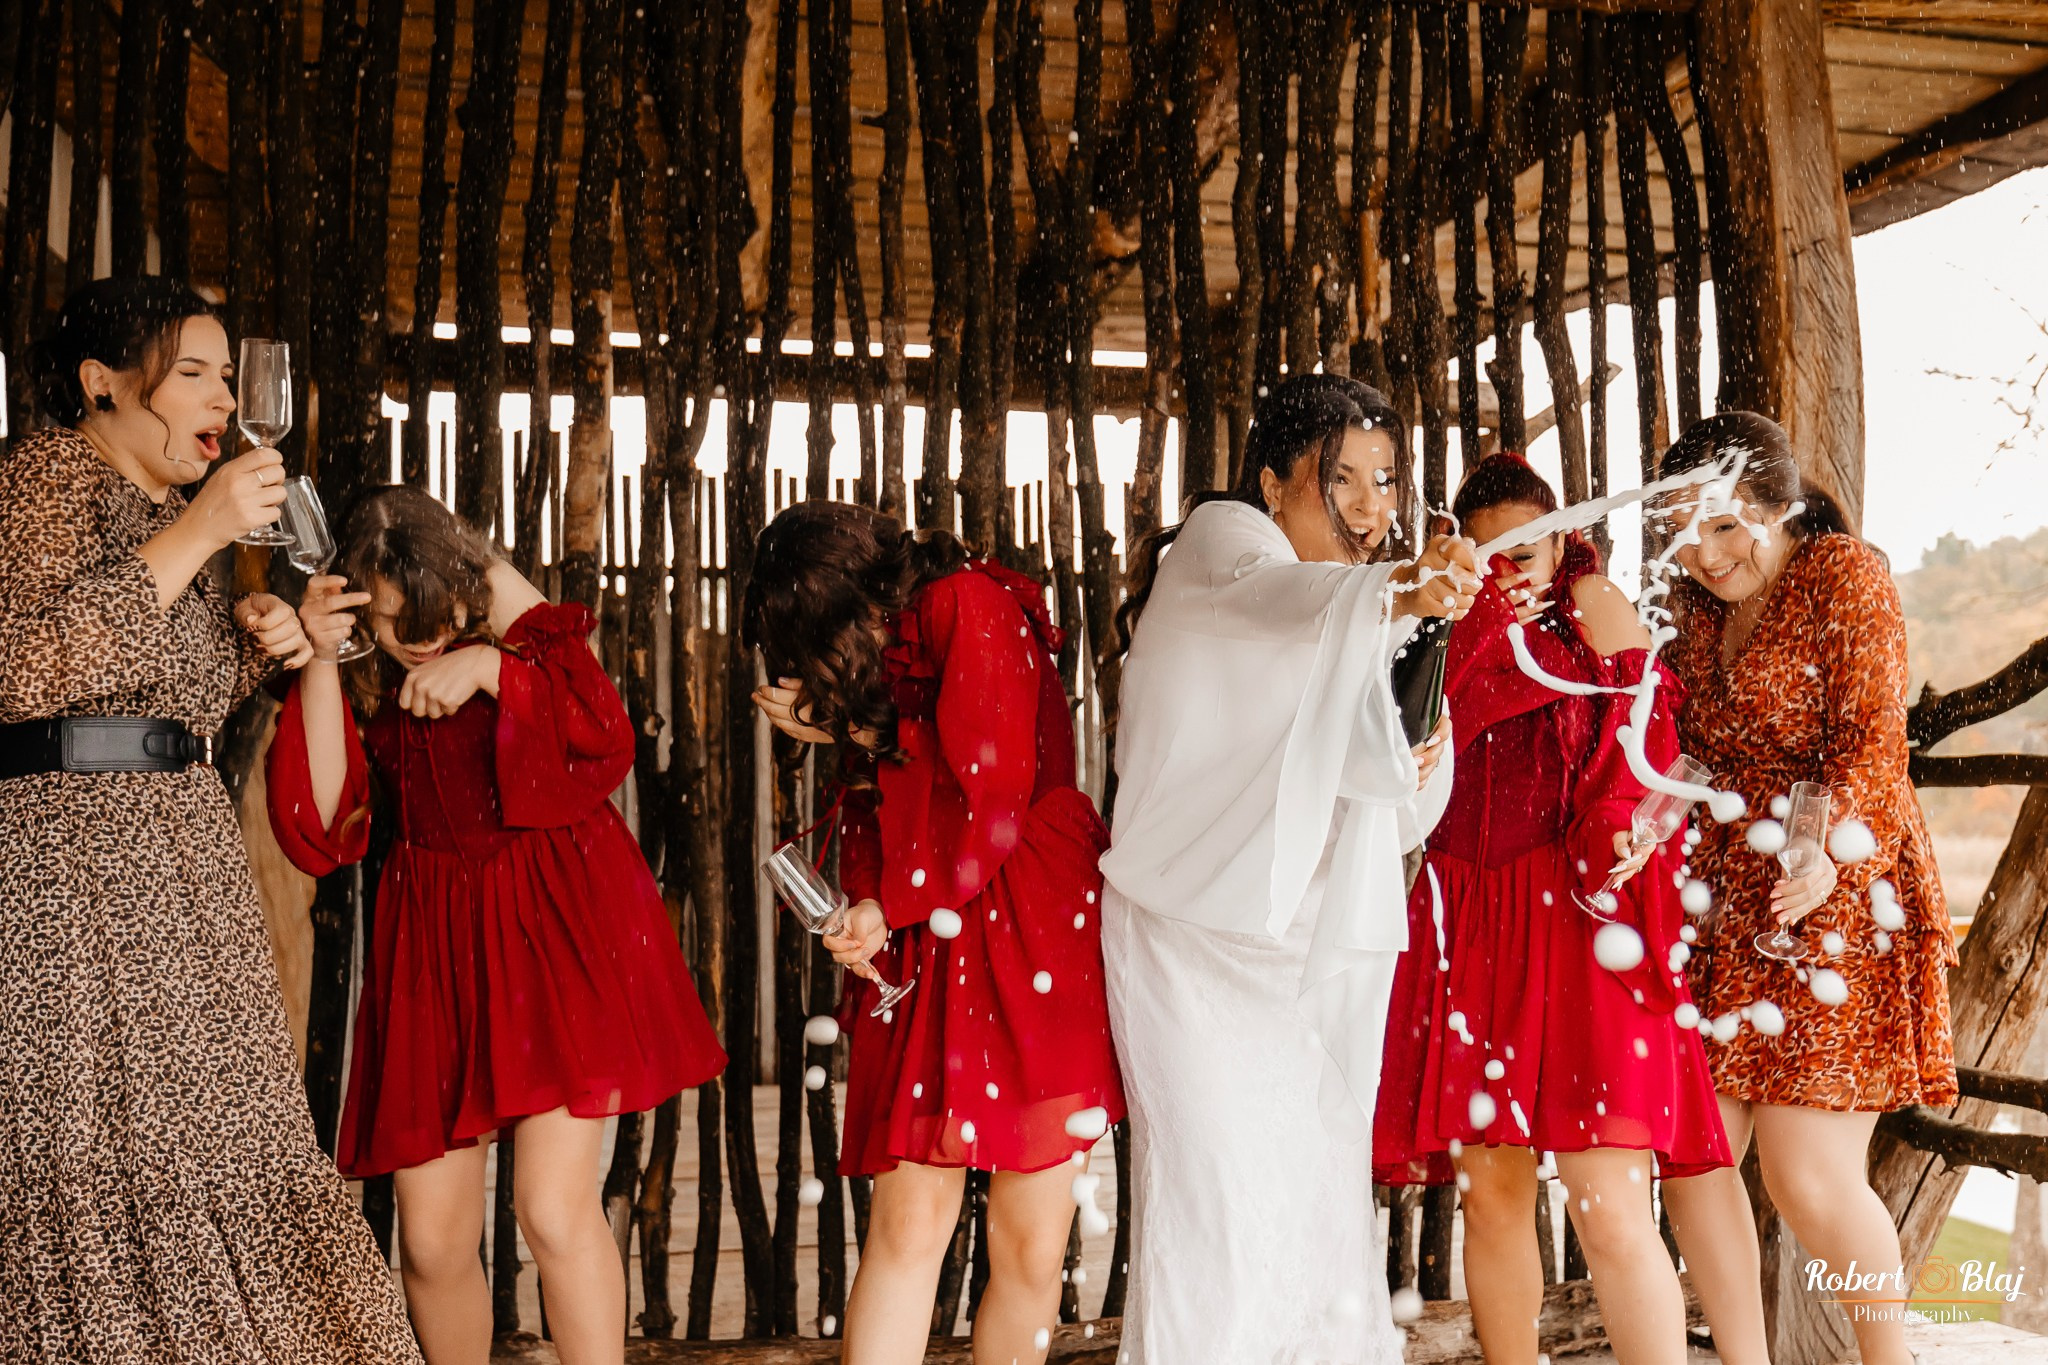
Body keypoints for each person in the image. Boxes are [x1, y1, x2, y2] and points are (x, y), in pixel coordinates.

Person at [0, 278, 421, 1361]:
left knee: (225, 1149)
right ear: (101, 384)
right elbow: (22, 668)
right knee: (114, 1154)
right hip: (77, 873)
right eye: (193, 371)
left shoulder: (163, 523)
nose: (224, 399)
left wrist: (267, 640)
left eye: (229, 376)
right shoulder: (44, 478)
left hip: (182, 869)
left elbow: (157, 700)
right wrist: (196, 532)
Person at [266, 484, 726, 1364]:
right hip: (432, 947)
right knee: (431, 1242)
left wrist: (492, 667)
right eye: (403, 622)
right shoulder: (362, 667)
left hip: (550, 927)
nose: (427, 639)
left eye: (441, 616)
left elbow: (605, 733)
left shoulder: (509, 627)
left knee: (552, 1211)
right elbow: (325, 828)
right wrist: (321, 657)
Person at [1099, 373, 1476, 1363]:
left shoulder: (1367, 612)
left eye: (1384, 482)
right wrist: (1399, 588)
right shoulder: (1221, 554)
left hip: (1299, 959)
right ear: (1271, 482)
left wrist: (1413, 761)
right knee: (1213, 1208)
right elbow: (1278, 604)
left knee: (1312, 1203)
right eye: (1339, 479)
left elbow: (1395, 816)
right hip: (1187, 952)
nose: (1367, 509)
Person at [743, 501, 1124, 1365]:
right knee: (910, 1224)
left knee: (1030, 1241)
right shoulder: (892, 641)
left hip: (1027, 912)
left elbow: (988, 788)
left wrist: (894, 902)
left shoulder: (965, 603)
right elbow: (881, 798)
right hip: (933, 917)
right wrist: (868, 903)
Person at [1373, 453, 1733, 1365]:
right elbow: (1406, 742)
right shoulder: (1435, 628)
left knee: (1607, 1196)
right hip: (1465, 912)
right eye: (1488, 548)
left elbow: (1642, 752)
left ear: (1564, 533)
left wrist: (1620, 830)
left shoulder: (1601, 608)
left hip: (1574, 916)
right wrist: (1477, 626)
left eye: (1527, 543)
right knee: (1490, 1191)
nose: (1510, 563)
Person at [1654, 411, 1957, 1365]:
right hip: (1733, 898)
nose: (1705, 552)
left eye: (1725, 526)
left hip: (1839, 885)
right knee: (1693, 1154)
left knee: (1809, 1177)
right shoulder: (1695, 612)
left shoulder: (1845, 575)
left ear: (1776, 506)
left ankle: (1887, 1360)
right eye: (1685, 529)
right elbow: (1678, 744)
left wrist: (1825, 849)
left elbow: (1874, 737)